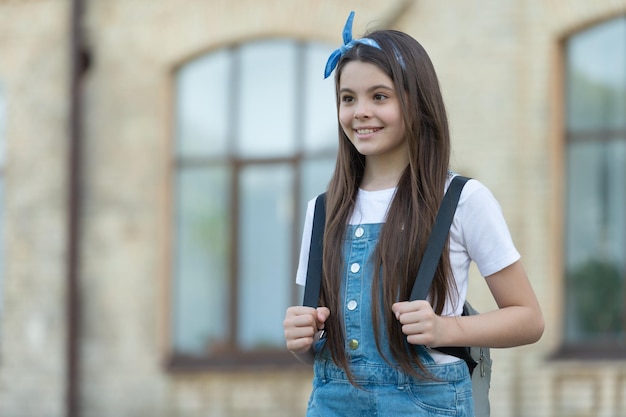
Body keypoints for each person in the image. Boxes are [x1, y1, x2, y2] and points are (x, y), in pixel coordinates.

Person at [283, 11, 544, 417]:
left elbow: (528, 319)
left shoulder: (462, 199)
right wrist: (303, 341)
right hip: (332, 402)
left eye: (379, 96)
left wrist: (446, 329)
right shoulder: (322, 210)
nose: (360, 111)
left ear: (416, 101)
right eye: (348, 98)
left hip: (427, 403)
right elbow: (321, 349)